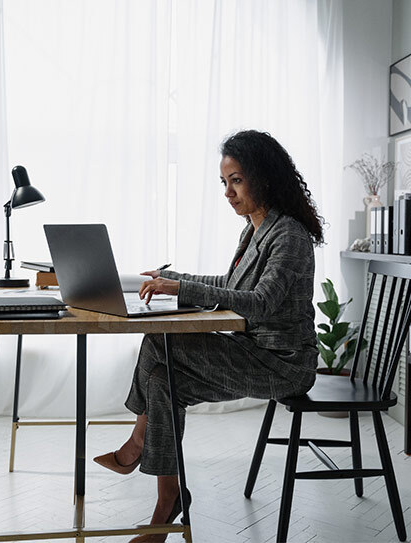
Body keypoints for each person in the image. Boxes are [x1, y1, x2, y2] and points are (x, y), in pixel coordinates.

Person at [93, 129, 325, 542]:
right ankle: (168, 502)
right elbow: (230, 282)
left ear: (264, 177)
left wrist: (181, 290)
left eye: (236, 180)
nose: (228, 192)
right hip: (252, 350)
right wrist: (175, 277)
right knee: (162, 382)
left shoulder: (288, 234)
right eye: (224, 182)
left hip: (283, 364)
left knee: (156, 340)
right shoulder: (255, 229)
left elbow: (259, 303)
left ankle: (136, 445)